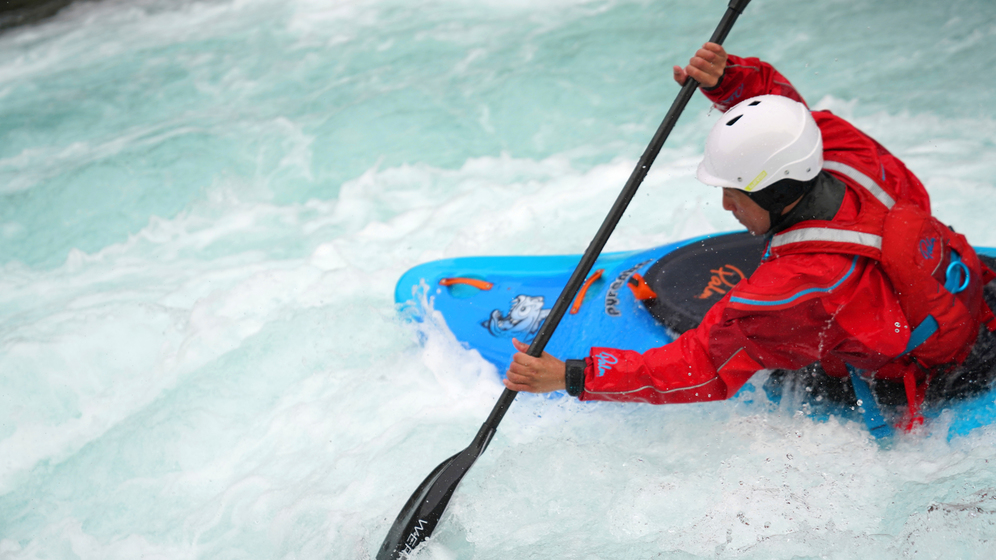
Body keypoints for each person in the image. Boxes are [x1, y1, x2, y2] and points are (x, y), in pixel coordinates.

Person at [503, 43, 996, 426]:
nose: (725, 205)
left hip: (938, 376)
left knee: (786, 359)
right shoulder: (852, 155)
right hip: (973, 293)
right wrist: (732, 82)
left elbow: (703, 366)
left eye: (735, 194)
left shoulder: (799, 287)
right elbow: (787, 117)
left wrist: (569, 376)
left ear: (781, 192)